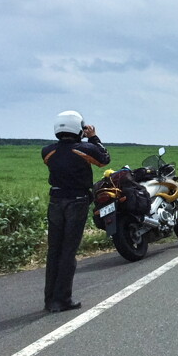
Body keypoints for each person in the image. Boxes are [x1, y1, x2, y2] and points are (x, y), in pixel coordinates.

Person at [41, 110, 111, 313]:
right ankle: (62, 299)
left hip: (55, 202)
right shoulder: (84, 148)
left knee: (54, 250)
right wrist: (94, 137)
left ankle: (49, 299)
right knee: (68, 251)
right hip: (77, 202)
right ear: (77, 128)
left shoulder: (48, 151)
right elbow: (104, 159)